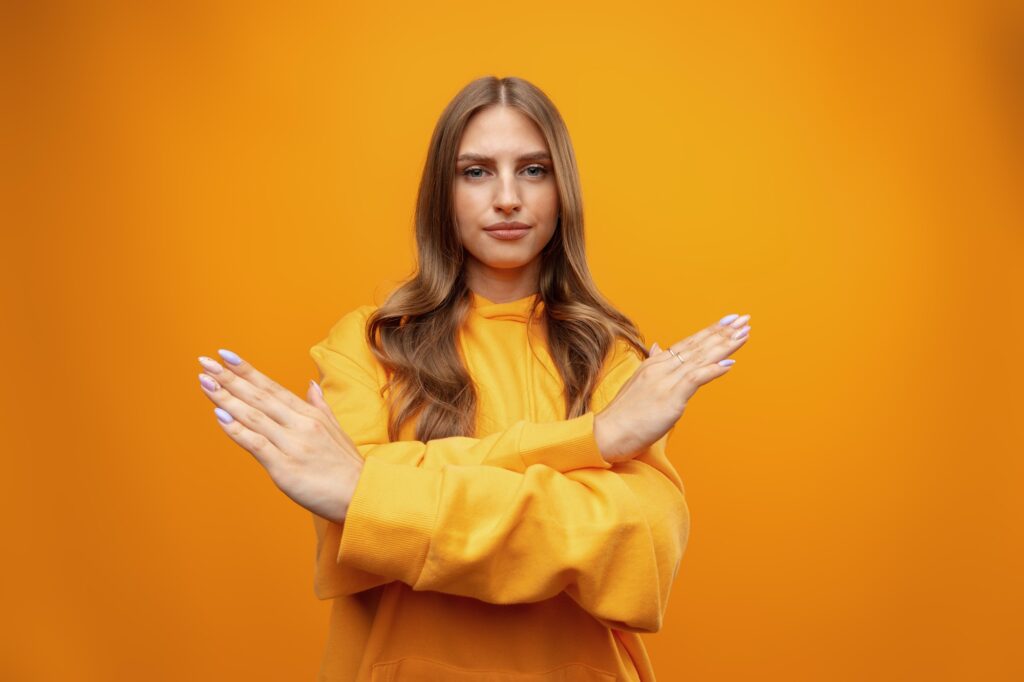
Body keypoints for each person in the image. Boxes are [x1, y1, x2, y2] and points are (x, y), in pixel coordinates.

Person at [196, 75, 751, 681]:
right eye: (477, 171)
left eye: (534, 170)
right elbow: (346, 525)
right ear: (443, 192)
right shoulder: (367, 343)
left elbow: (638, 540)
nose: (508, 197)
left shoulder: (610, 354)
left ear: (563, 190)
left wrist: (378, 493)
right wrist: (590, 442)